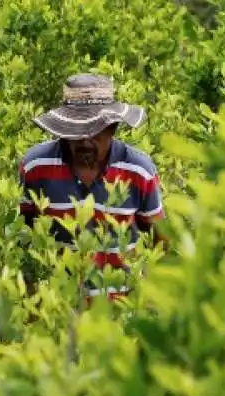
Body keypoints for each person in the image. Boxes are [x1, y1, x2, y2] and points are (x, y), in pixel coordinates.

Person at [17, 73, 169, 302]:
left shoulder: (138, 170)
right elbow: (25, 236)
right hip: (58, 309)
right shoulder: (36, 167)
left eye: (95, 131)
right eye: (76, 132)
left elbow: (160, 241)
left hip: (121, 310)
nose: (85, 141)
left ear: (113, 128)